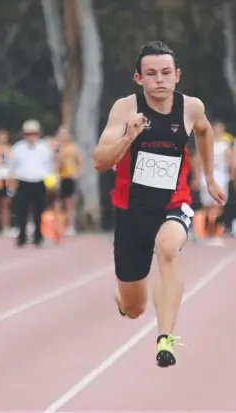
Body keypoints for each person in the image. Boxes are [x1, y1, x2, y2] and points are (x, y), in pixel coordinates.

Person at [93, 41, 225, 368]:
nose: (160, 80)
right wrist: (128, 138)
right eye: (151, 74)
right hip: (130, 210)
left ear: (177, 75)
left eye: (166, 72)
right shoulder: (125, 109)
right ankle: (125, 301)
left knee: (168, 249)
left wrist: (209, 177)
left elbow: (205, 132)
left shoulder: (190, 108)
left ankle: (165, 338)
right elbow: (99, 161)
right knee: (134, 308)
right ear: (139, 79)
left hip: (173, 203)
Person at [8, 119, 56, 247]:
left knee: (39, 211)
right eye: (28, 134)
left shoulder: (44, 148)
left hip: (39, 181)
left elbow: (50, 167)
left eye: (33, 133)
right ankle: (21, 237)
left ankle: (37, 237)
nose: (31, 137)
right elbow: (11, 167)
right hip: (23, 181)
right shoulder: (17, 148)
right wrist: (11, 183)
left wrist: (52, 183)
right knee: (21, 211)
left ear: (38, 134)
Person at [192, 120, 235, 246]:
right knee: (216, 207)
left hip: (208, 177)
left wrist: (195, 177)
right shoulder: (222, 145)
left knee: (208, 207)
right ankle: (209, 234)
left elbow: (196, 160)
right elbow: (231, 162)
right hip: (216, 178)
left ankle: (202, 232)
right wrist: (233, 174)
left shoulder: (210, 143)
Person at [56, 125, 84, 236]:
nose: (62, 135)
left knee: (68, 203)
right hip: (57, 178)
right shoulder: (57, 147)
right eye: (60, 133)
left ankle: (70, 226)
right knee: (56, 203)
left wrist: (77, 173)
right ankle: (57, 225)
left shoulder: (73, 148)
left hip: (68, 177)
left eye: (64, 133)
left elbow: (81, 161)